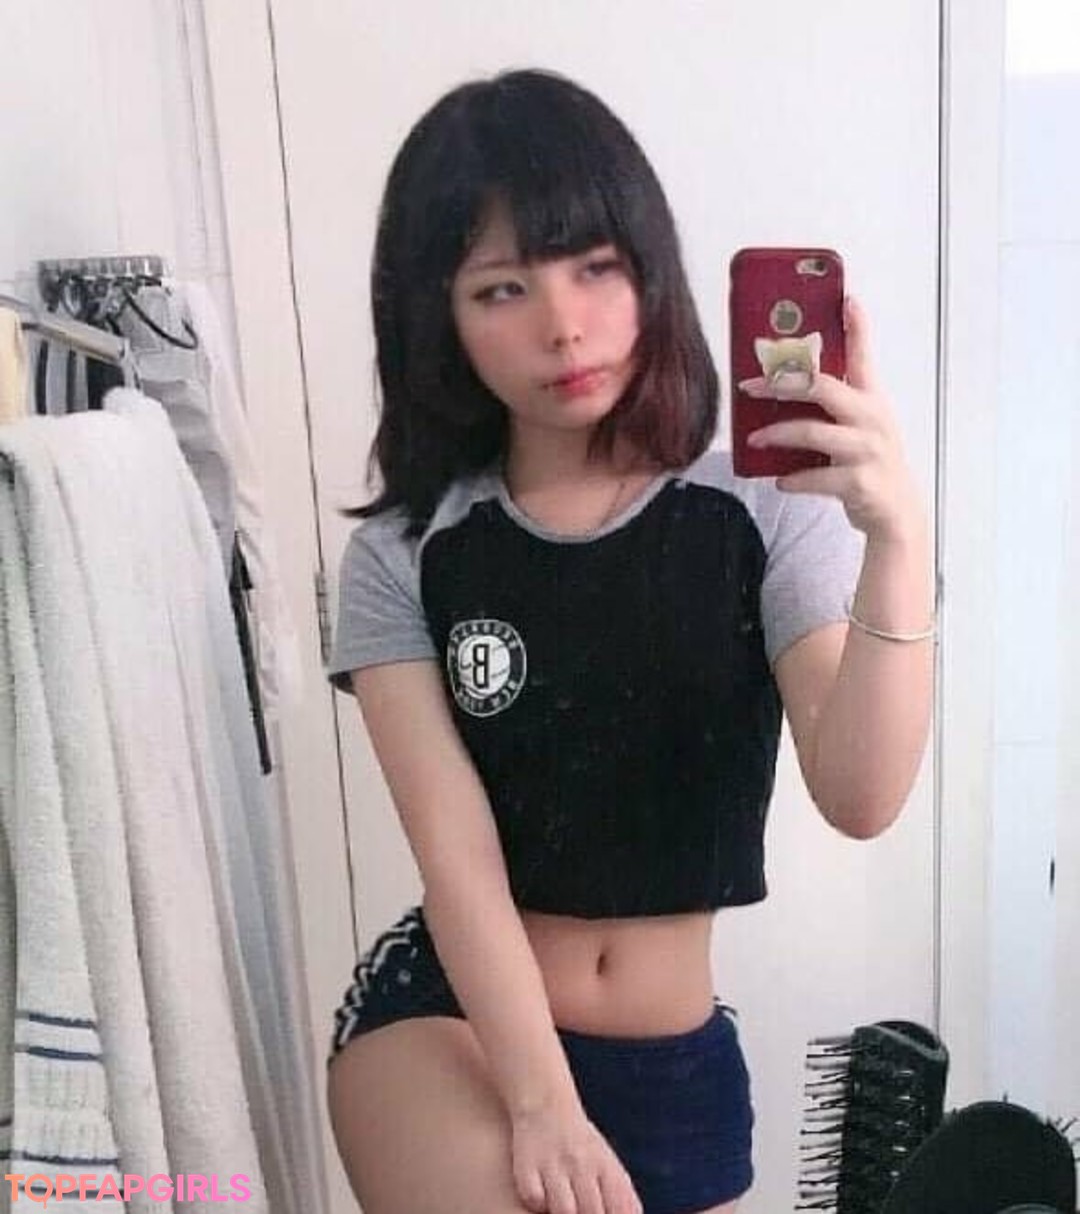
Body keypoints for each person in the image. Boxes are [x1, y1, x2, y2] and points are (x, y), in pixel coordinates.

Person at [323, 67, 934, 1214]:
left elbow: (860, 794)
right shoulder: (406, 553)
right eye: (503, 287)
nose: (562, 322)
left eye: (594, 266)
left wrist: (897, 535)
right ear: (440, 317)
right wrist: (541, 1103)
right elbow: (458, 860)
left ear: (649, 268)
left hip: (678, 1062)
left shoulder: (762, 510)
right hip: (461, 1030)